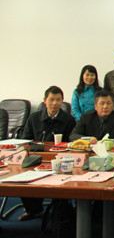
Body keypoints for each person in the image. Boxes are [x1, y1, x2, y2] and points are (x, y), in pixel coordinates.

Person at [19, 86, 76, 221]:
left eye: (58, 100)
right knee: (22, 175)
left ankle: (60, 209)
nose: (55, 103)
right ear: (45, 100)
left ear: (62, 100)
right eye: (51, 100)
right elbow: (25, 140)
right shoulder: (34, 117)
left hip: (59, 159)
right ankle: (33, 209)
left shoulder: (68, 119)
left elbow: (70, 144)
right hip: (36, 158)